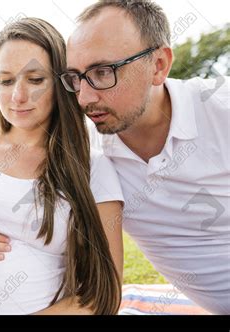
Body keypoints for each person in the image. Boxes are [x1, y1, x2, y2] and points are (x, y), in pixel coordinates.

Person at [0, 18, 124, 314]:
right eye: (6, 80)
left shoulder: (91, 167)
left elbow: (106, 294)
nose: (18, 96)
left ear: (62, 84)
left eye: (35, 80)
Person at [60, 0, 229, 314]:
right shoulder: (89, 155)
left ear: (159, 65)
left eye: (103, 71)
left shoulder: (221, 108)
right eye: (76, 77)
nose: (84, 97)